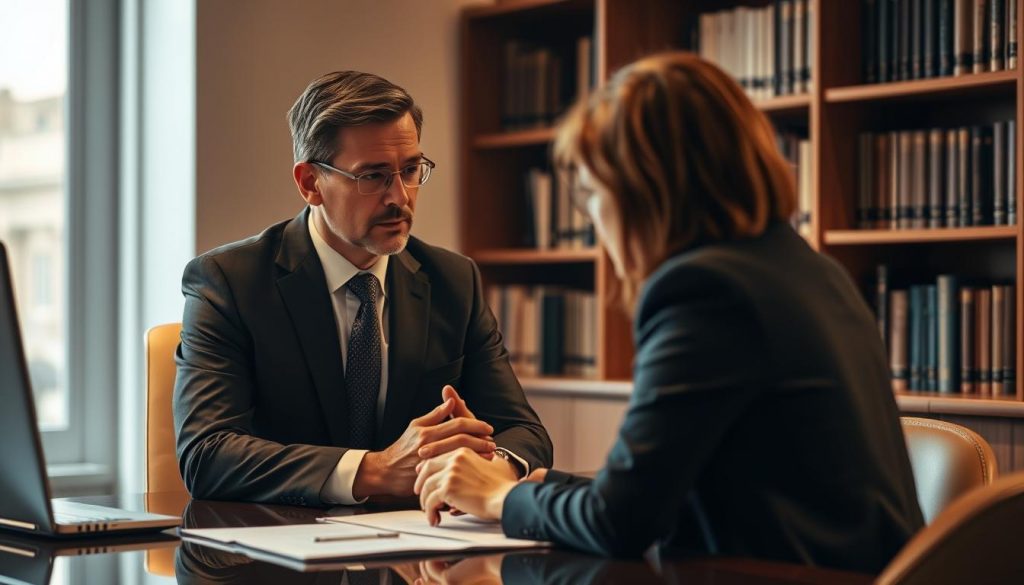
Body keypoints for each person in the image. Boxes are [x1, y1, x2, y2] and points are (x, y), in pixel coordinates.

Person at [413, 52, 924, 573]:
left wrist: (500, 499)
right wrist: (541, 488)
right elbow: (679, 488)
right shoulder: (807, 269)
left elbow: (621, 521)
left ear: (641, 190)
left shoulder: (706, 291)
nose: (595, 222)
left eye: (593, 194)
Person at [173, 71, 552, 506]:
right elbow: (206, 454)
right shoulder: (229, 282)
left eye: (410, 170)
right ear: (310, 183)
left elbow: (525, 432)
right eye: (372, 176)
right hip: (274, 552)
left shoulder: (453, 280)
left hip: (417, 554)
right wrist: (376, 470)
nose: (400, 197)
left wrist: (488, 469)